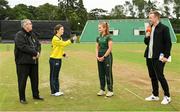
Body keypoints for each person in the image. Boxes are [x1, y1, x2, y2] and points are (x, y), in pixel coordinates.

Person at [144, 11, 172, 105]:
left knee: (160, 76)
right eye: (149, 17)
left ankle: (167, 96)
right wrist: (147, 36)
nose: (149, 19)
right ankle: (155, 95)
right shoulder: (150, 28)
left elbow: (168, 43)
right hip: (149, 56)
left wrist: (166, 56)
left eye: (151, 17)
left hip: (159, 57)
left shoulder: (164, 28)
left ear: (156, 18)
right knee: (152, 76)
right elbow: (146, 42)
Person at [14, 19, 44, 104]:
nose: (31, 25)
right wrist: (35, 53)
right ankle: (22, 98)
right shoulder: (19, 35)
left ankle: (36, 95)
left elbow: (38, 44)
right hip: (23, 63)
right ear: (25, 25)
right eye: (29, 24)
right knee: (22, 80)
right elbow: (23, 47)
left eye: (31, 24)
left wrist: (38, 53)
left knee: (35, 80)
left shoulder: (33, 34)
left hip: (34, 62)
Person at [49, 24, 77, 96]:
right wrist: (72, 39)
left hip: (58, 59)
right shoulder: (55, 38)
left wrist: (63, 54)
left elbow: (59, 48)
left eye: (63, 29)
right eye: (61, 29)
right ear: (57, 30)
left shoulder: (59, 38)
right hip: (54, 59)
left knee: (55, 75)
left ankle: (56, 90)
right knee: (54, 76)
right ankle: (54, 92)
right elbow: (64, 44)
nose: (63, 31)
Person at [96, 22, 113, 97]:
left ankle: (110, 90)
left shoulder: (108, 37)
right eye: (98, 27)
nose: (98, 29)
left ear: (104, 28)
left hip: (107, 57)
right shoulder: (98, 37)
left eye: (100, 27)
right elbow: (97, 47)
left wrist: (104, 57)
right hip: (99, 56)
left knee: (108, 74)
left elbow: (110, 48)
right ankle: (102, 89)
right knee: (101, 74)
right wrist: (97, 56)